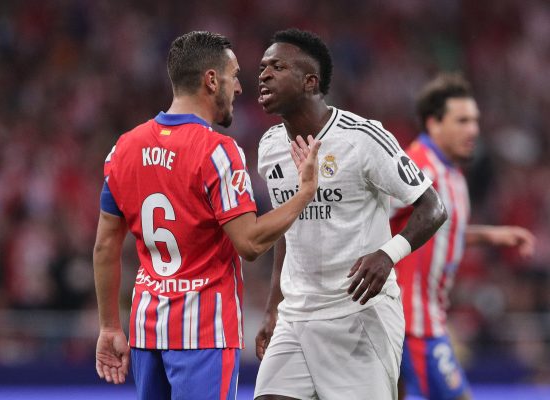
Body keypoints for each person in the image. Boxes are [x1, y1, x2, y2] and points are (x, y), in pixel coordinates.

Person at [92, 30, 322, 400]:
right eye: (233, 76)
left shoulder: (123, 148)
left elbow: (105, 246)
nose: (240, 88)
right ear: (211, 80)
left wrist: (108, 326)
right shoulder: (217, 151)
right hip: (204, 331)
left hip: (146, 330)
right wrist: (304, 194)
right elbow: (249, 242)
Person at [253, 28, 448, 400]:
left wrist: (388, 255)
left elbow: (433, 207)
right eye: (262, 67)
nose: (263, 75)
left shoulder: (363, 138)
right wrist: (272, 306)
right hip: (296, 316)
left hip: (359, 314)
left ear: (311, 81)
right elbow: (285, 228)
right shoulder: (269, 147)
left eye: (277, 66)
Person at [391, 73, 536, 400]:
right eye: (462, 121)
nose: (473, 129)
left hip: (423, 316)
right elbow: (370, 221)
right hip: (412, 321)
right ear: (433, 123)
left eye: (474, 121)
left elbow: (432, 234)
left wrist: (489, 236)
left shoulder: (453, 172)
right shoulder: (416, 167)